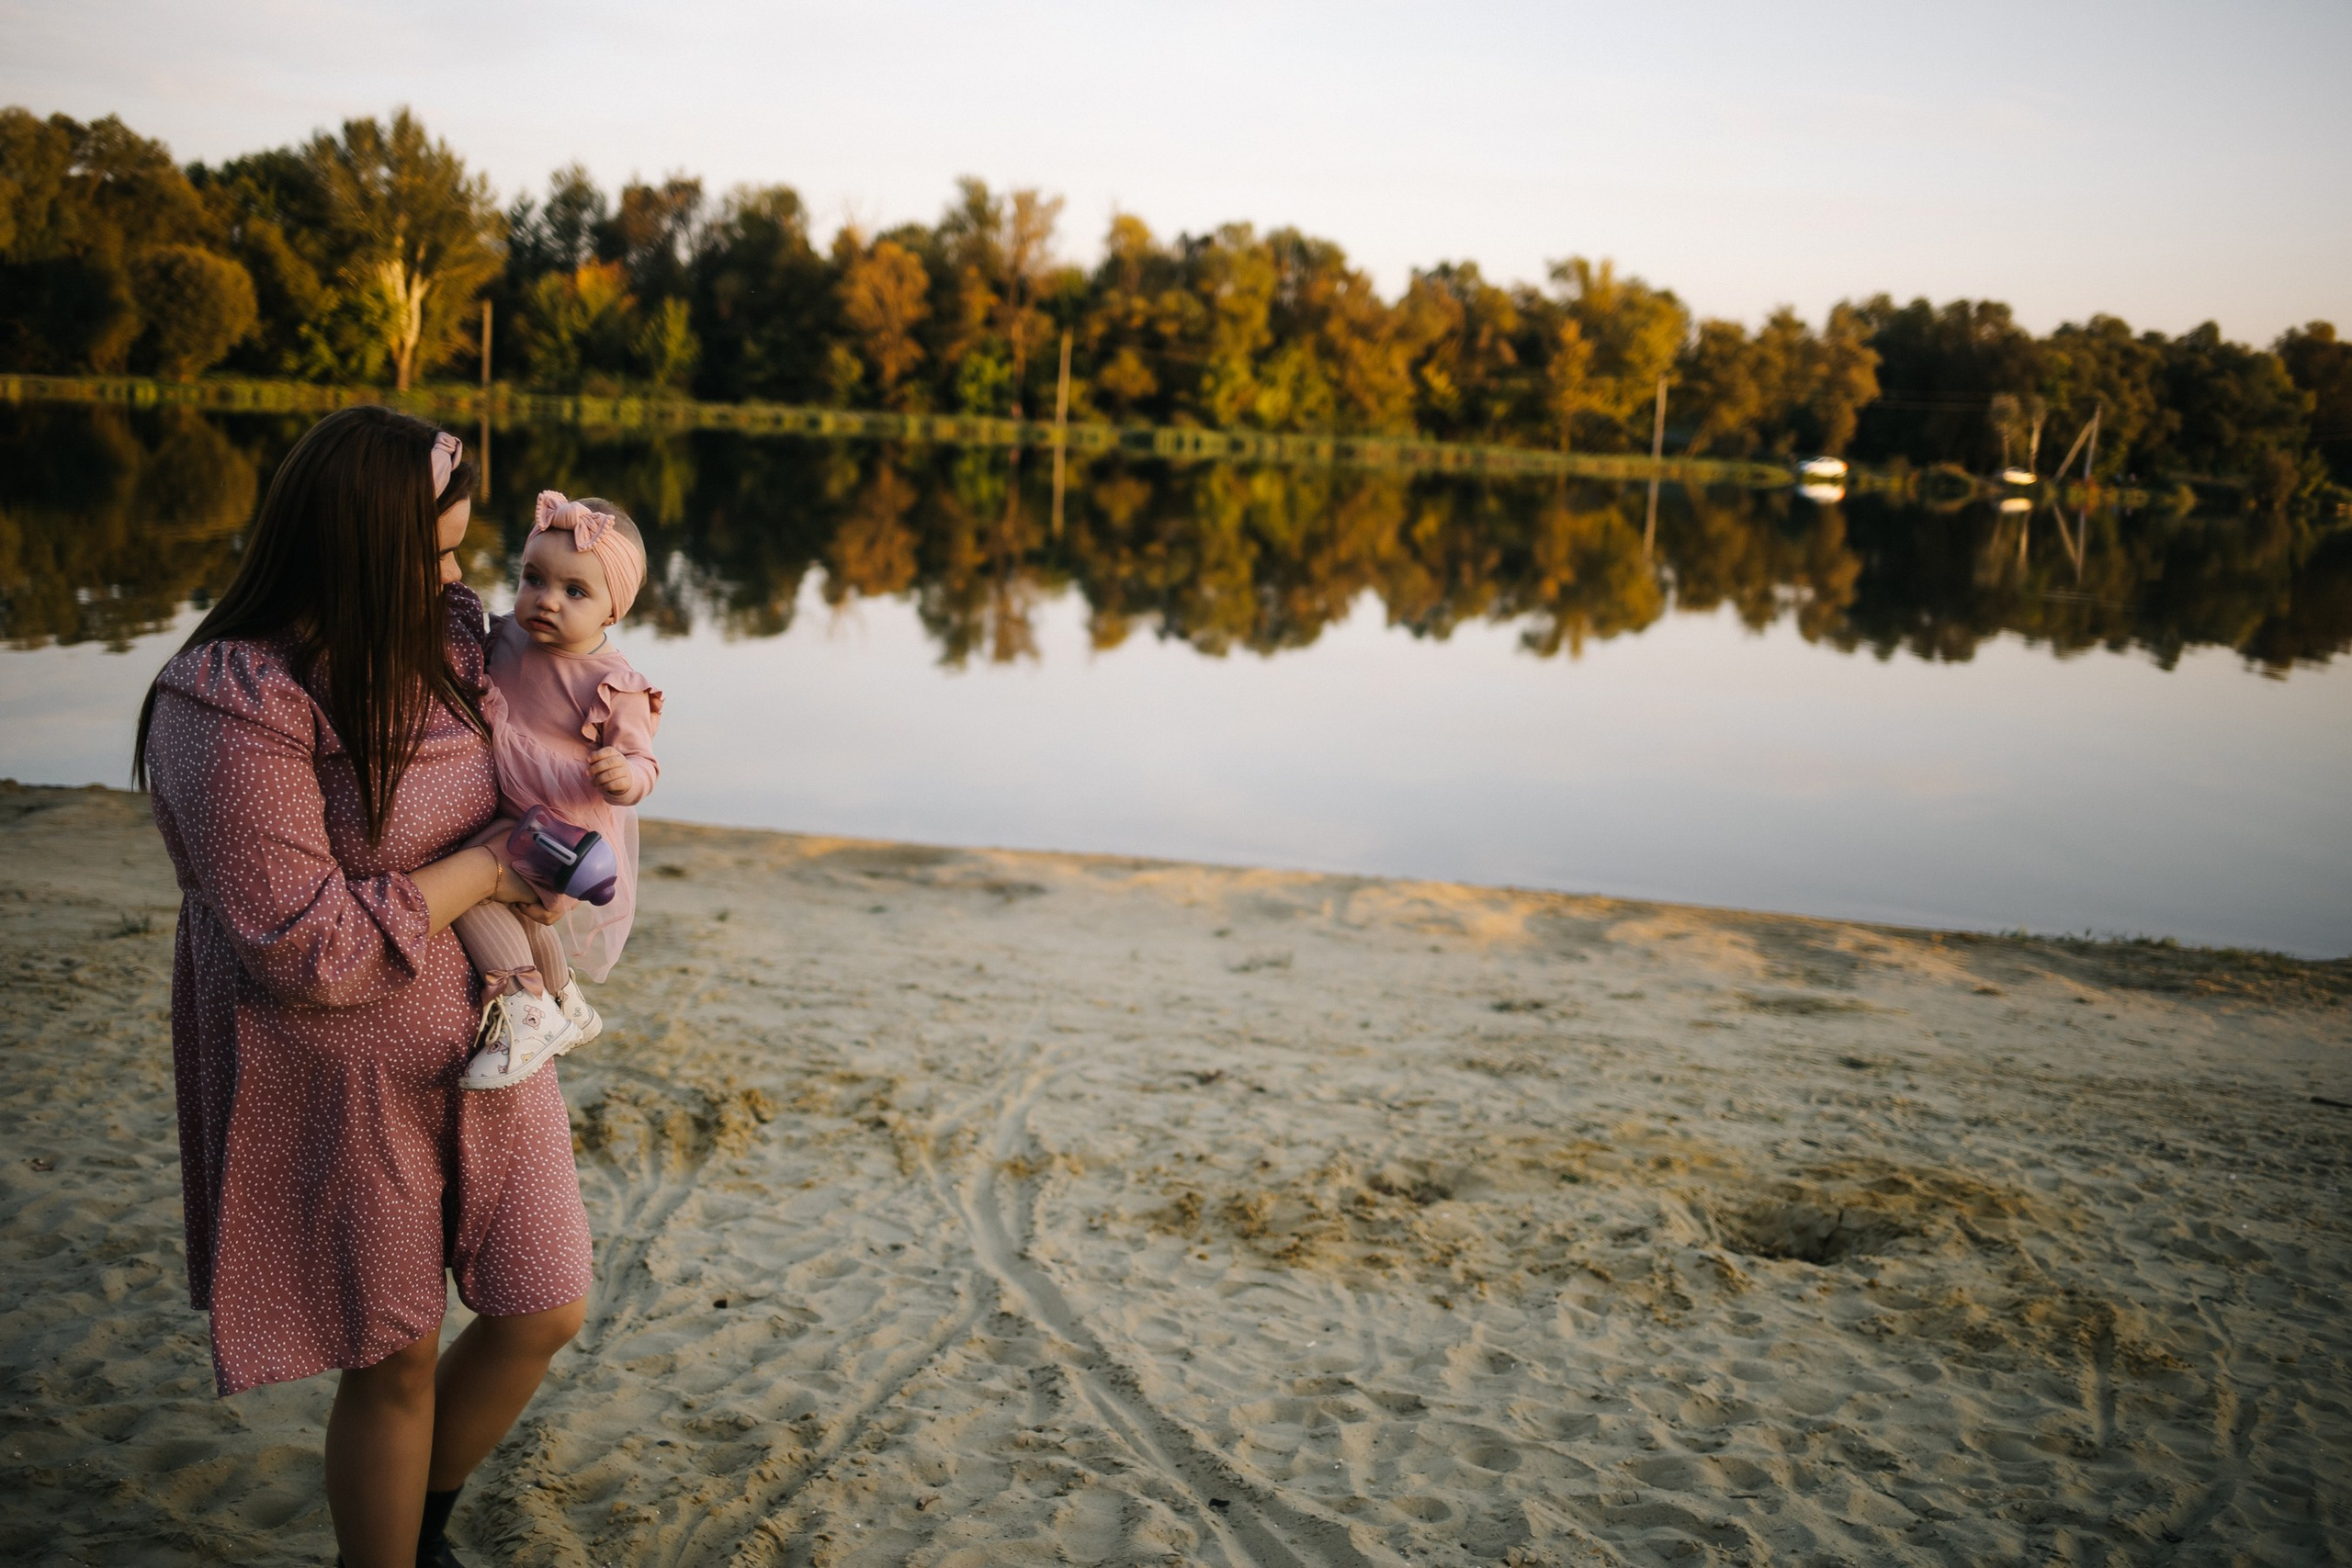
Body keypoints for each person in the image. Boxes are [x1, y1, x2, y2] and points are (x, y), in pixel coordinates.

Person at [133, 407, 592, 1568]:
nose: (457, 576)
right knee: (390, 1358)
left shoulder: (442, 639)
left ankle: (418, 1523)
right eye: (436, 549)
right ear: (362, 540)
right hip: (337, 1071)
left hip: (491, 1044)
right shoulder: (229, 694)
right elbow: (305, 948)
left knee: (543, 1306)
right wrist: (489, 866)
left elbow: (553, 725)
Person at [449, 490, 660, 1091]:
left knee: (468, 886)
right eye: (533, 578)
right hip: (517, 814)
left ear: (611, 610)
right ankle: (567, 999)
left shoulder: (614, 683)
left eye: (575, 592)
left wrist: (626, 775)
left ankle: (523, 1004)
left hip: (565, 833)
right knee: (514, 903)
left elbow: (644, 760)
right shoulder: (508, 636)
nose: (546, 601)